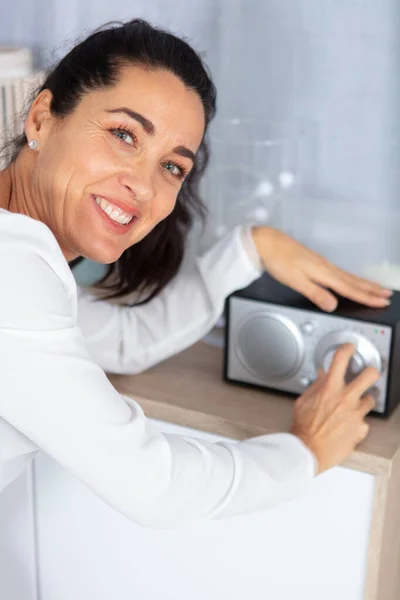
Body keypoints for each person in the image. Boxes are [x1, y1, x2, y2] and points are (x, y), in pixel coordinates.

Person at [0, 19, 389, 528]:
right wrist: (306, 450)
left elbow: (121, 341)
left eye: (172, 167)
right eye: (123, 134)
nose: (142, 184)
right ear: (42, 118)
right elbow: (153, 486)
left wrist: (249, 249)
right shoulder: (14, 265)